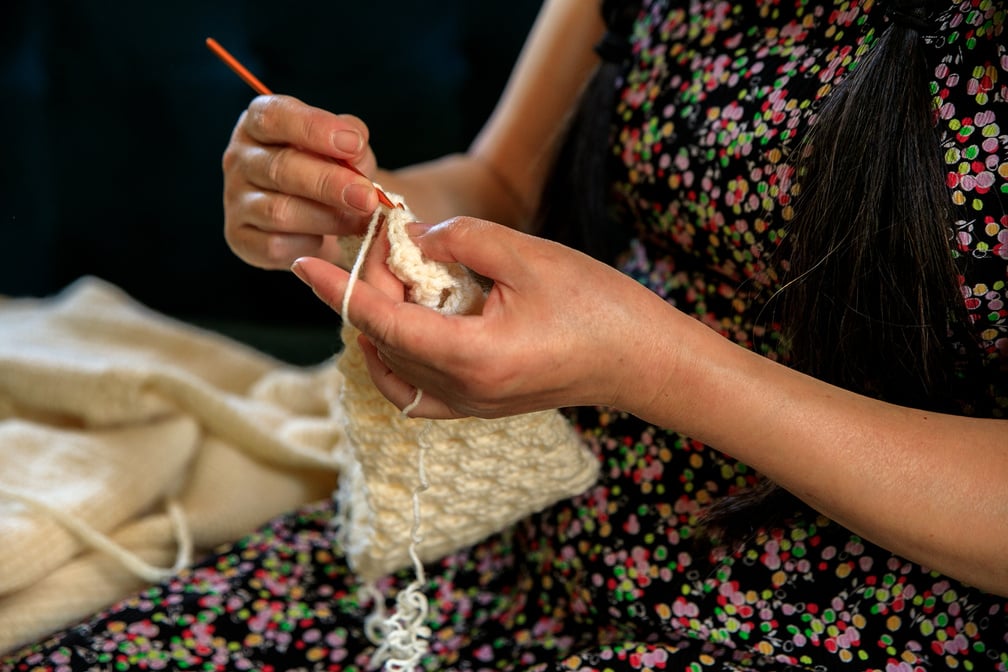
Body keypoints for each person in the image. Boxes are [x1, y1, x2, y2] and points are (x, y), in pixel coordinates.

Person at [4, 0, 1007, 669]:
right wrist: (360, 214)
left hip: (863, 618)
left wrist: (652, 366)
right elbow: (503, 185)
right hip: (525, 521)